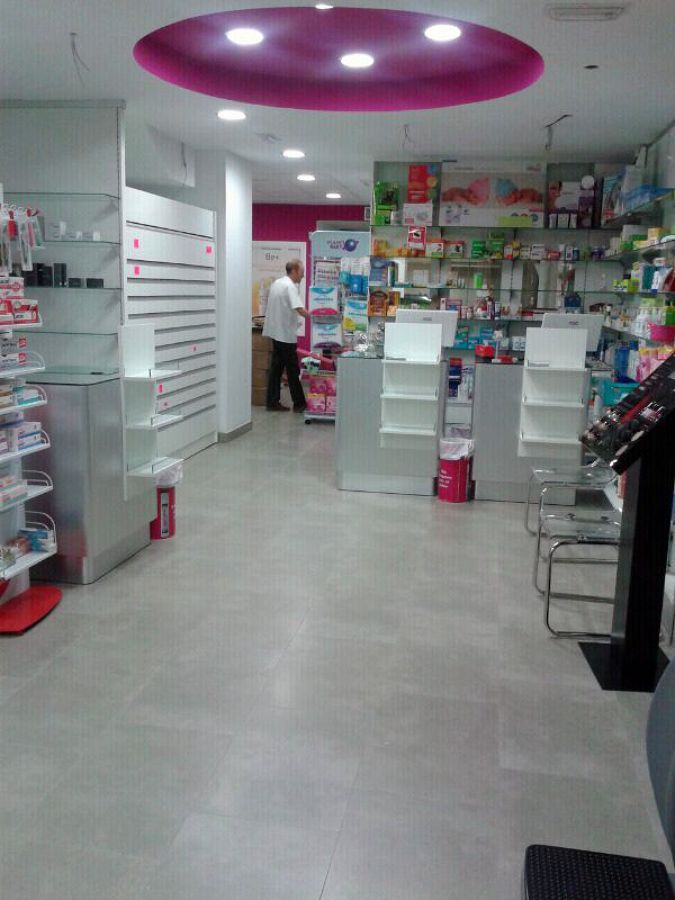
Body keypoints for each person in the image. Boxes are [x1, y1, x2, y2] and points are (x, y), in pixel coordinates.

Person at [262, 258, 310, 412]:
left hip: (276, 333)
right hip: (285, 335)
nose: (303, 276)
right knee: (293, 370)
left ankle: (272, 402)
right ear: (294, 270)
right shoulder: (290, 286)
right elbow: (299, 309)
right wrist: (317, 318)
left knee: (276, 369)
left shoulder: (277, 283)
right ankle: (299, 404)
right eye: (302, 272)